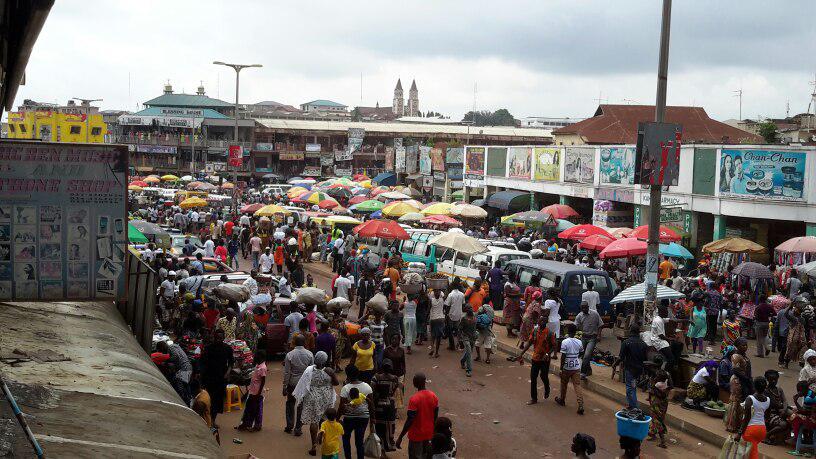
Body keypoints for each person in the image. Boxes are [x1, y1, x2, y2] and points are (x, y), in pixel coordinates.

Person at [295, 351, 339, 456]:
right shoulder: (329, 371)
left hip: (312, 397)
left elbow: (304, 383)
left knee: (314, 420)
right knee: (323, 419)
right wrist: (330, 377)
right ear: (325, 360)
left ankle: (314, 445)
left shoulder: (309, 370)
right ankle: (323, 440)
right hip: (326, 397)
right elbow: (336, 383)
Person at [396, 373, 439, 459]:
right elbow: (435, 416)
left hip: (416, 436)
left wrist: (400, 437)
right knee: (426, 456)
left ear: (415, 383)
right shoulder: (433, 396)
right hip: (428, 434)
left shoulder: (414, 399)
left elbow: (410, 420)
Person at [516, 312, 557, 404]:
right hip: (535, 358)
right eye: (540, 320)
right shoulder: (535, 331)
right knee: (533, 378)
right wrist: (521, 353)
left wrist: (549, 354)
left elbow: (554, 345)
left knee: (543, 376)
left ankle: (547, 387)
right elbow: (529, 343)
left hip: (545, 359)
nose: (540, 322)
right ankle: (534, 398)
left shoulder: (550, 333)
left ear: (545, 322)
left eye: (543, 321)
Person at [200, 329, 234, 427]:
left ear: (223, 338)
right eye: (217, 338)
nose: (219, 340)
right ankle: (206, 419)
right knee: (208, 399)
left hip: (221, 378)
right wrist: (202, 375)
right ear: (214, 338)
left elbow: (231, 362)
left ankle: (212, 420)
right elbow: (203, 362)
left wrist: (227, 373)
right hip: (209, 378)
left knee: (217, 401)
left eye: (220, 338)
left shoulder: (227, 349)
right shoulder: (208, 348)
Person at [339, 365, 374, 459]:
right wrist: (373, 420)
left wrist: (337, 418)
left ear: (347, 375)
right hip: (363, 417)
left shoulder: (346, 388)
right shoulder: (367, 387)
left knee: (346, 439)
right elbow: (371, 405)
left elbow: (341, 406)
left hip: (349, 418)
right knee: (359, 441)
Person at [283, 334, 315, 436]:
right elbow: (311, 371)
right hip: (304, 384)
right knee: (301, 405)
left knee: (290, 403)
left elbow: (287, 372)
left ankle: (289, 426)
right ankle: (298, 428)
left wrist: (285, 386)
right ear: (304, 343)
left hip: (292, 383)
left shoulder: (290, 355)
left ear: (294, 343)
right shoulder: (310, 354)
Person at [737, 376, 769, 459]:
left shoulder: (750, 399)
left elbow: (746, 419)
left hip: (751, 430)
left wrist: (739, 433)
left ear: (754, 386)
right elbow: (767, 416)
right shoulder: (768, 400)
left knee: (751, 454)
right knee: (751, 451)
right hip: (762, 430)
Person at [725, 337, 753, 432]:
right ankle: (732, 425)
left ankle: (739, 424)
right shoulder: (736, 356)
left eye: (746, 345)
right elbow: (735, 370)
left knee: (742, 401)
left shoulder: (744, 356)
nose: (745, 347)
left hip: (745, 380)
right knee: (736, 401)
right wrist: (747, 379)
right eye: (743, 345)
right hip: (737, 380)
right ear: (737, 346)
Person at [555, 324, 584, 414]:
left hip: (567, 367)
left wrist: (561, 368)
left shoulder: (565, 342)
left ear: (568, 331)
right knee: (577, 385)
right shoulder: (579, 342)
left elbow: (563, 356)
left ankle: (562, 400)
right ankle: (580, 404)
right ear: (575, 332)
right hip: (576, 366)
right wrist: (576, 357)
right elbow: (582, 353)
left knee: (564, 384)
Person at [371, 359, 400, 451]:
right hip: (390, 405)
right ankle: (389, 445)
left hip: (379, 405)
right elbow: (395, 389)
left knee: (379, 427)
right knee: (390, 425)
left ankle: (381, 448)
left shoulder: (376, 377)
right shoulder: (395, 378)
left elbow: (372, 391)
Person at [235, 349, 267, 431]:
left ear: (260, 357)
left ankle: (257, 426)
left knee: (256, 410)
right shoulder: (258, 366)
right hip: (253, 391)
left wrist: (258, 393)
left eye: (256, 356)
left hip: (257, 392)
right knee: (249, 408)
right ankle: (246, 424)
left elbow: (263, 381)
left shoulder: (262, 368)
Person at [619, 323, 648, 408]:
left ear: (630, 331)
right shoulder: (643, 344)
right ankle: (631, 405)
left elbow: (621, 357)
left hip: (630, 369)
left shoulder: (626, 342)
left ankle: (634, 407)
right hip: (639, 369)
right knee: (632, 386)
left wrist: (614, 364)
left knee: (630, 388)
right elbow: (645, 358)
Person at [156, 340, 193, 404]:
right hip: (187, 367)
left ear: (162, 348)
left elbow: (176, 357)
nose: (163, 353)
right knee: (185, 385)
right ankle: (187, 401)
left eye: (161, 351)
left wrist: (166, 362)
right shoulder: (175, 346)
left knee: (180, 386)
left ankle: (183, 403)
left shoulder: (171, 348)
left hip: (184, 368)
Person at [574, 301, 602, 380]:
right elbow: (575, 325)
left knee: (587, 355)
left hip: (592, 338)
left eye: (585, 307)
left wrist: (599, 335)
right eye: (582, 308)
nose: (584, 309)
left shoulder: (595, 314)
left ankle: (583, 373)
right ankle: (589, 370)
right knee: (583, 355)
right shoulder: (579, 316)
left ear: (588, 307)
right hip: (583, 337)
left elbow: (600, 325)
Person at [764, 369, 791, 445]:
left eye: (775, 379)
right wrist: (782, 409)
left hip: (780, 411)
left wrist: (784, 409)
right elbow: (772, 404)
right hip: (769, 414)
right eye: (771, 380)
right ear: (767, 379)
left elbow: (785, 401)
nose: (773, 381)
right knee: (783, 424)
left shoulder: (779, 389)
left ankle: (779, 437)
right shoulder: (766, 390)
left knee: (793, 418)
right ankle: (767, 434)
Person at [647, 365, 671, 448]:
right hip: (663, 403)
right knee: (658, 419)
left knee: (657, 421)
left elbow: (651, 392)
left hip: (656, 404)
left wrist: (649, 398)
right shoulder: (665, 383)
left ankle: (663, 442)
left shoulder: (657, 384)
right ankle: (653, 434)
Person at [444, 285, 464, 351]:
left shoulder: (450, 295)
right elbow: (463, 304)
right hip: (459, 315)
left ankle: (452, 346)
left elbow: (447, 306)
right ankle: (461, 344)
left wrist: (446, 314)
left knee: (450, 331)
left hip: (451, 315)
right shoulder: (462, 294)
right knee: (458, 331)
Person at [458, 309, 477, 377]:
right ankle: (469, 370)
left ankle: (462, 361)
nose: (470, 319)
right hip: (465, 337)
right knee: (469, 352)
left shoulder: (475, 316)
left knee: (469, 351)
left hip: (473, 337)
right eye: (469, 317)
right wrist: (459, 340)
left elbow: (475, 327)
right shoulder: (463, 318)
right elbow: (460, 329)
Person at [502, 272, 522, 337]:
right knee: (509, 318)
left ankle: (511, 332)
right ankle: (509, 333)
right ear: (512, 277)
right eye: (515, 276)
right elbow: (508, 294)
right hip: (509, 303)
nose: (516, 277)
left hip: (514, 303)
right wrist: (518, 295)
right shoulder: (507, 284)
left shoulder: (513, 283)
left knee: (513, 318)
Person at [429, 288, 446, 359]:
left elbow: (428, 310)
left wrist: (426, 320)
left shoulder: (431, 300)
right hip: (440, 319)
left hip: (433, 319)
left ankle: (432, 348)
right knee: (438, 337)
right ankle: (436, 353)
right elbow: (446, 294)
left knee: (432, 335)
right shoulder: (442, 299)